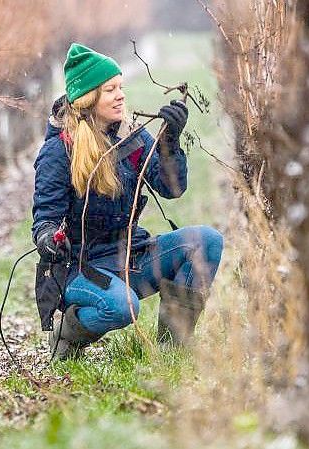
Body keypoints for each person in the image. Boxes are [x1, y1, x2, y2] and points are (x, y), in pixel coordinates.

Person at [32, 43, 223, 361]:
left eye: (120, 87)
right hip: (81, 267)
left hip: (130, 256)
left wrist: (169, 142)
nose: (120, 95)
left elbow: (171, 188)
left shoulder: (129, 136)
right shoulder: (60, 150)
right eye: (110, 90)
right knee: (123, 307)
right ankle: (68, 333)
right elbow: (44, 218)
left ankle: (170, 350)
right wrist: (48, 238)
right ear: (88, 97)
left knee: (206, 241)